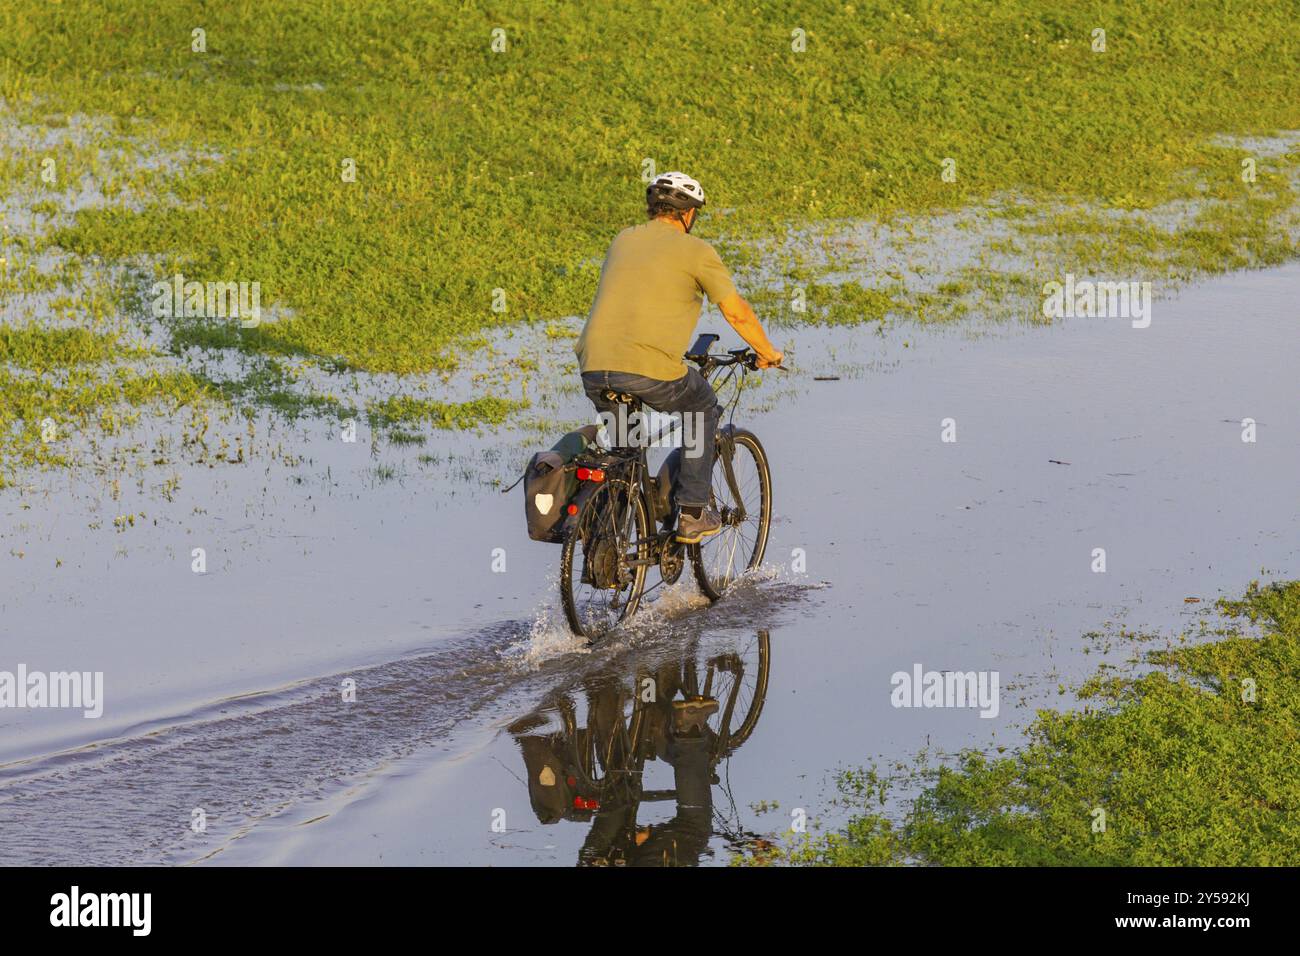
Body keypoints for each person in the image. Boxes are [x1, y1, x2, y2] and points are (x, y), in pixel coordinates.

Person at [574, 171, 783, 543]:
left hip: (595, 367)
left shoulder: (623, 240)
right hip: (648, 371)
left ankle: (612, 540)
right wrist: (768, 352)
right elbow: (736, 312)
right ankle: (691, 513)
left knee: (626, 449)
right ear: (688, 215)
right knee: (701, 406)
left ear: (654, 209)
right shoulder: (697, 251)